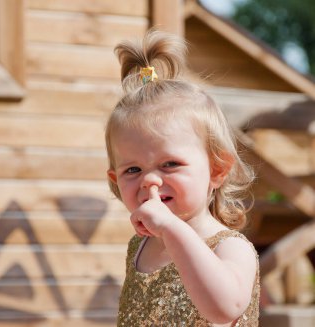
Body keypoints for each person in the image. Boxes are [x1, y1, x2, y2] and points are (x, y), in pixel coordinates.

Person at [105, 30, 260, 326]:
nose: (150, 180)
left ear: (216, 170)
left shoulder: (229, 247)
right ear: (115, 178)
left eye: (170, 164)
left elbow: (223, 308)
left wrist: (171, 228)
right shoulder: (138, 249)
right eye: (132, 170)